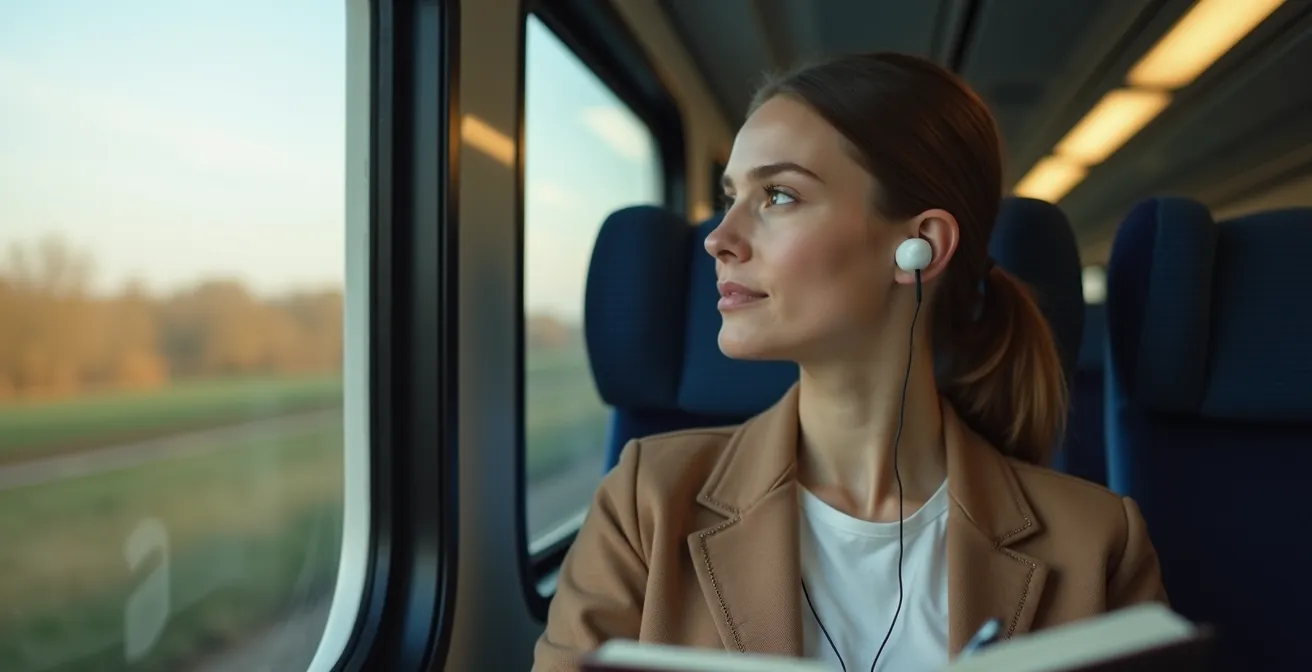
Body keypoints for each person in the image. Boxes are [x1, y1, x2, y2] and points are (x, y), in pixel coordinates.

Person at [533, 52, 1167, 671]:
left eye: (777, 195)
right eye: (730, 196)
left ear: (918, 247)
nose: (718, 238)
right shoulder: (645, 502)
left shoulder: (1097, 542)